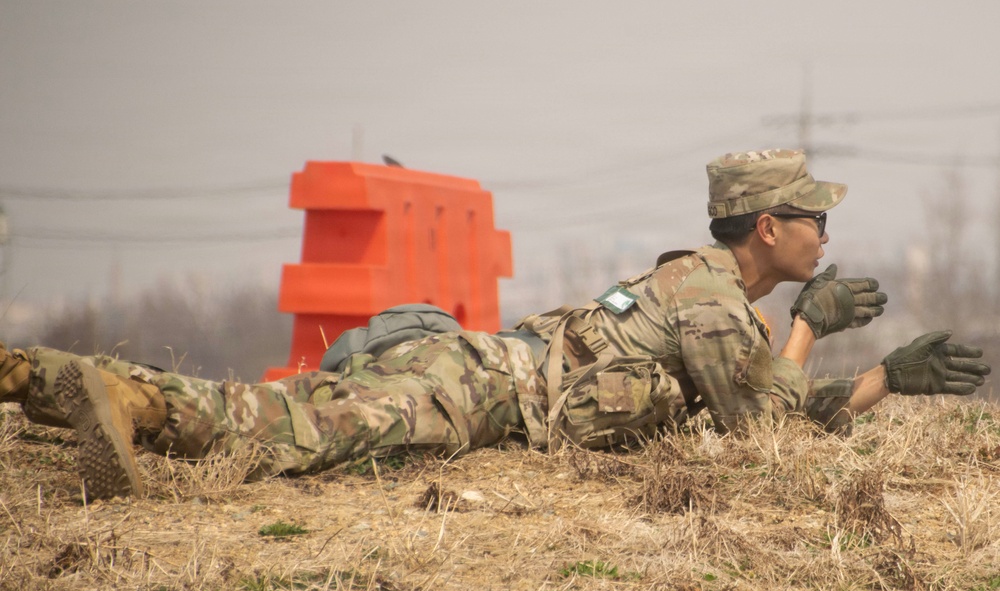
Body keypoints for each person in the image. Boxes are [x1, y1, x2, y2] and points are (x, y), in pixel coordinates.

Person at [0, 149, 989, 501]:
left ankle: (55, 384)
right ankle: (105, 392)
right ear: (767, 228)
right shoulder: (710, 299)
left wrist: (887, 380)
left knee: (289, 417)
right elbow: (764, 431)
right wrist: (810, 325)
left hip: (472, 367)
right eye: (815, 217)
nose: (827, 233)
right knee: (288, 432)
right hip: (474, 385)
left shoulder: (710, 299)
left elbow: (772, 402)